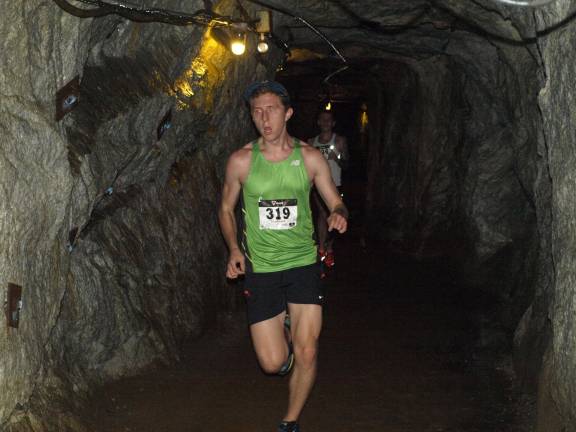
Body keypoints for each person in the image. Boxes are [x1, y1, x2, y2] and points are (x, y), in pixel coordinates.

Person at [218, 81, 348, 432]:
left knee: (308, 351)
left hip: (304, 264)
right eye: (257, 111)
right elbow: (226, 209)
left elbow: (335, 199)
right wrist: (233, 248)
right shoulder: (241, 161)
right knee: (272, 363)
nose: (264, 118)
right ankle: (285, 338)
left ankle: (290, 421)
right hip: (262, 270)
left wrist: (339, 212)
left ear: (288, 113)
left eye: (271, 109)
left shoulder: (308, 157)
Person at [308, 110, 348, 269]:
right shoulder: (311, 142)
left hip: (336, 183)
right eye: (322, 119)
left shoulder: (339, 140)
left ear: (333, 123)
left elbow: (347, 164)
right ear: (318, 122)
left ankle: (328, 246)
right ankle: (322, 248)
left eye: (328, 120)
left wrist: (336, 157)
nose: (325, 122)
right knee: (322, 215)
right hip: (317, 185)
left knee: (335, 214)